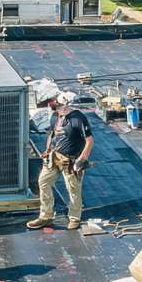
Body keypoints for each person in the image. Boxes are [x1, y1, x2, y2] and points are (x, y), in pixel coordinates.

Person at [28, 86, 94, 230]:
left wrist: (82, 159)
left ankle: (74, 217)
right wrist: (47, 150)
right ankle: (45, 215)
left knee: (73, 189)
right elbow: (51, 134)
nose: (56, 108)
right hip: (54, 157)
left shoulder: (78, 119)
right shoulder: (55, 116)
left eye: (58, 106)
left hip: (71, 160)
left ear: (66, 105)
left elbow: (89, 141)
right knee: (43, 182)